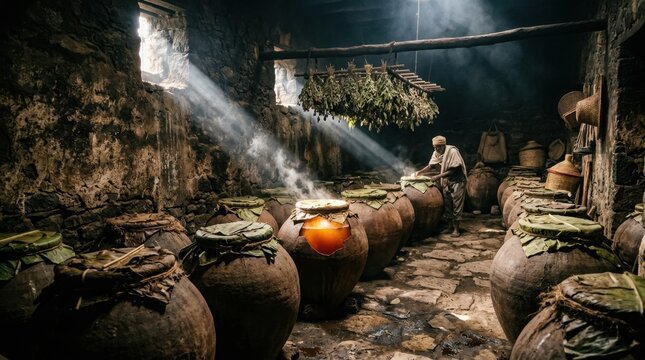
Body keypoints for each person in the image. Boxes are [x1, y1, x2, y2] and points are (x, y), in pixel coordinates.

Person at [413, 135, 467, 237]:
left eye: (438, 147)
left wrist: (438, 176)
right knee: (448, 203)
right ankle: (449, 227)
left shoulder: (452, 151)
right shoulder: (436, 153)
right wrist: (419, 173)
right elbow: (431, 166)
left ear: (443, 145)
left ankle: (456, 229)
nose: (437, 149)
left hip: (457, 181)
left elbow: (454, 169)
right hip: (447, 181)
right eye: (435, 147)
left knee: (456, 205)